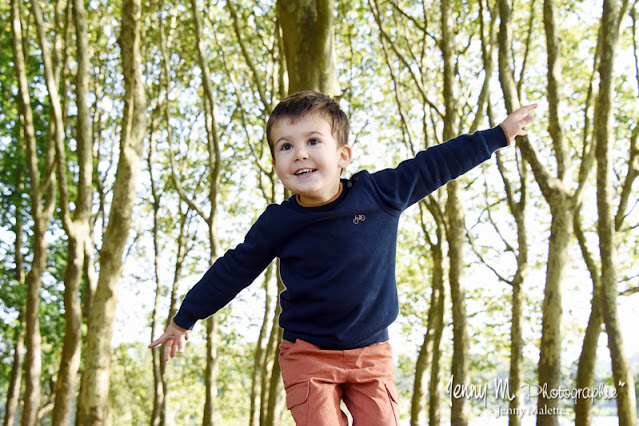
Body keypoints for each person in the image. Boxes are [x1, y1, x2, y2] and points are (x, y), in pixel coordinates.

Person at [149, 91, 537, 425]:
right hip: (308, 356)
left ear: (343, 155)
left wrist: (497, 136)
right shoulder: (279, 222)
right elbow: (233, 270)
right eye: (286, 146)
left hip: (372, 354)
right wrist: (184, 320)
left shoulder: (379, 194)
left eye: (313, 141)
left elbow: (434, 164)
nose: (299, 153)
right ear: (276, 165)